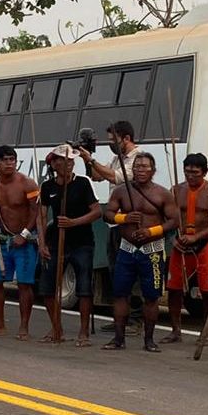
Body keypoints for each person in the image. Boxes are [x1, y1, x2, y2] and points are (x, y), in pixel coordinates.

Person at [103, 152, 178, 352]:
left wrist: (151, 231)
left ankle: (149, 340)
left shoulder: (162, 194)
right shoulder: (120, 191)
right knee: (120, 294)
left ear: (153, 170)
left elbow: (173, 221)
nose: (140, 170)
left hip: (152, 251)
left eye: (145, 166)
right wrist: (124, 219)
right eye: (137, 166)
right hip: (127, 249)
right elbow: (107, 214)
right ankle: (118, 339)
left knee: (151, 297)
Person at [81, 120, 143, 335]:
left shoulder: (138, 158)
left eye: (113, 140)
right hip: (115, 222)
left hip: (131, 222)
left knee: (132, 272)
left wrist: (92, 159)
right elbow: (98, 176)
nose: (111, 144)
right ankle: (121, 317)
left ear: (126, 138)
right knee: (116, 271)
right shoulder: (118, 158)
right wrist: (87, 160)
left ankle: (135, 319)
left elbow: (116, 177)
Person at [37, 144, 101, 346]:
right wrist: (41, 241)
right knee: (47, 287)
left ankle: (83, 333)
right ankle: (57, 328)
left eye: (71, 161)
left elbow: (96, 212)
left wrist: (74, 222)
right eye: (64, 161)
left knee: (83, 288)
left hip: (82, 242)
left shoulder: (83, 183)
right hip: (56, 241)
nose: (69, 164)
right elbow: (41, 215)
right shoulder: (48, 186)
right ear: (55, 164)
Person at [0, 145, 40, 339]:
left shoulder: (28, 183)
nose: (10, 163)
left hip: (25, 241)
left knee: (24, 284)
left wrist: (23, 234)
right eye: (5, 160)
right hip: (2, 240)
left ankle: (24, 326)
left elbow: (36, 211)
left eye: (12, 159)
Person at [162, 153, 208, 344]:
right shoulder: (176, 190)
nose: (190, 176)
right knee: (174, 288)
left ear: (204, 172)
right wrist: (173, 239)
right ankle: (175, 330)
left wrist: (197, 237)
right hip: (180, 243)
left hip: (204, 243)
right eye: (187, 172)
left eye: (195, 172)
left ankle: (205, 333)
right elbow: (167, 218)